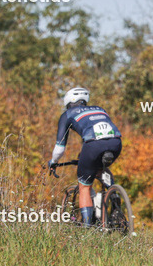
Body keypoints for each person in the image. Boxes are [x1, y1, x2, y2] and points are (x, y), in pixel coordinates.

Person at [48, 87, 123, 227]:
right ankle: (113, 195)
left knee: (84, 187)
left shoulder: (67, 114)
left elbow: (59, 148)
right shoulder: (99, 109)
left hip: (93, 146)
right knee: (99, 168)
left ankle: (88, 227)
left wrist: (53, 161)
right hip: (116, 143)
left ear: (68, 101)